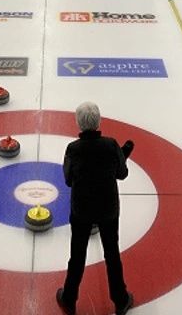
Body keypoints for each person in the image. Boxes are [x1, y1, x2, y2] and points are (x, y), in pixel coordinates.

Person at [56, 102, 135, 315]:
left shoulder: (73, 149)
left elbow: (68, 179)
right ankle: (120, 299)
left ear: (78, 123)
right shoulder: (111, 145)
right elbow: (122, 174)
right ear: (99, 121)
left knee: (77, 255)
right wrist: (122, 156)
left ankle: (69, 298)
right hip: (108, 208)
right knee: (112, 254)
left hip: (81, 209)